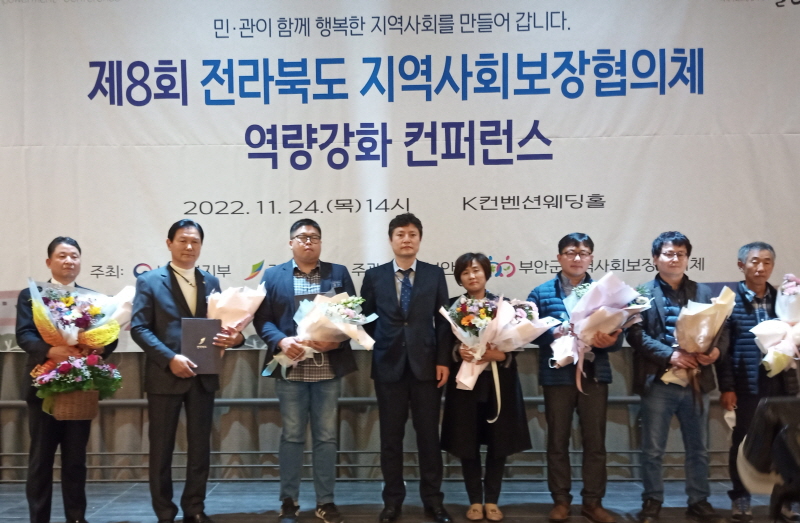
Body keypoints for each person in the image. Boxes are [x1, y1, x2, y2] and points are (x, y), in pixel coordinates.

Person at [131, 220, 244, 523]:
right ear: (169, 243)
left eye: (195, 241)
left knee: (200, 448)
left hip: (203, 375)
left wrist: (235, 338)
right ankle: (165, 513)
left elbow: (224, 325)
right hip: (165, 374)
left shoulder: (211, 281)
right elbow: (139, 328)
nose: (189, 247)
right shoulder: (150, 281)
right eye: (182, 240)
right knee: (161, 449)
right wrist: (169, 358)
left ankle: (195, 508)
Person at [253, 218, 357, 523]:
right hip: (291, 370)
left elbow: (353, 315)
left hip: (327, 370)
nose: (308, 241)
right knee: (292, 436)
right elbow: (262, 319)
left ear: (321, 243)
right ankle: (289, 500)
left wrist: (336, 342)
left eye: (314, 237)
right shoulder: (273, 276)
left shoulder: (338, 273)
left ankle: (326, 501)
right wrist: (281, 341)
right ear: (291, 243)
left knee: (326, 437)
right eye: (302, 237)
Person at [627, 231, 728, 523]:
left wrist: (715, 351)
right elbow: (635, 335)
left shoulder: (704, 292)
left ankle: (699, 500)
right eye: (669, 254)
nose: (675, 259)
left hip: (696, 378)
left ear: (687, 258)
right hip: (659, 380)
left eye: (680, 254)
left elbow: (723, 329)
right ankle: (652, 501)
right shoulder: (641, 293)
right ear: (655, 258)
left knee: (699, 448)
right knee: (653, 449)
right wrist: (669, 355)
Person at [15, 236, 118, 523]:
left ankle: (76, 517)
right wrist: (51, 351)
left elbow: (110, 336)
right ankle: (39, 518)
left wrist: (98, 347)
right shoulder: (30, 296)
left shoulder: (94, 299)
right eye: (62, 256)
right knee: (41, 459)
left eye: (74, 256)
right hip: (43, 383)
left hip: (79, 386)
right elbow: (24, 334)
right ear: (49, 262)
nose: (69, 261)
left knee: (75, 459)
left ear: (80, 261)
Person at [361, 213, 452, 523]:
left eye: (412, 234)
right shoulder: (374, 276)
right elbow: (365, 319)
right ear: (391, 240)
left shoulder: (434, 274)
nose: (406, 239)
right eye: (400, 234)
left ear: (419, 239)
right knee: (390, 439)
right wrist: (383, 344)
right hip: (388, 367)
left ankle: (433, 501)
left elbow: (444, 322)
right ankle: (392, 502)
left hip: (427, 367)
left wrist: (443, 360)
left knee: (429, 438)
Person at [526, 233, 621, 523]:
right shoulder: (541, 292)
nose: (577, 258)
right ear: (559, 258)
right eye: (570, 252)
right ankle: (560, 500)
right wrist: (551, 332)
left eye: (583, 253)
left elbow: (619, 335)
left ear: (591, 258)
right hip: (557, 375)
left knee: (595, 442)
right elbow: (527, 331)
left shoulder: (604, 292)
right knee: (557, 441)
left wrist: (610, 340)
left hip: (593, 374)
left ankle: (593, 502)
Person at [440, 252, 532, 522]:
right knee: (466, 441)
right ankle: (474, 501)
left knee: (498, 441)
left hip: (498, 383)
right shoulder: (452, 308)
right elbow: (443, 345)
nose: (472, 276)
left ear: (486, 274)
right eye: (465, 272)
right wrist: (458, 351)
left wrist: (500, 355)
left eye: (477, 270)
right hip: (465, 384)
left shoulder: (505, 307)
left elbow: (515, 344)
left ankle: (491, 500)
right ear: (459, 278)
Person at [714, 242, 799, 523]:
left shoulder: (785, 299)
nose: (761, 267)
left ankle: (786, 497)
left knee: (787, 443)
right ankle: (740, 497)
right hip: (746, 383)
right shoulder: (728, 302)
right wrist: (727, 387)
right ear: (741, 265)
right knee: (743, 441)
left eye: (767, 262)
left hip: (783, 383)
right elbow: (723, 351)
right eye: (754, 261)